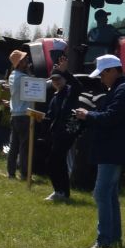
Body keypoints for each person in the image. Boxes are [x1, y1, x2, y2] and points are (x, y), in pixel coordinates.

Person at [74, 53, 125, 248]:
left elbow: (111, 117)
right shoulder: (120, 89)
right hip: (112, 149)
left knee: (101, 193)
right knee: (109, 194)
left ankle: (104, 241)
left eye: (102, 74)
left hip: (113, 150)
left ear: (112, 71)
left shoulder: (123, 90)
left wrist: (88, 115)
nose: (101, 79)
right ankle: (114, 239)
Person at [41, 68, 77, 202]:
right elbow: (51, 116)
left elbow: (78, 85)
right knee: (60, 163)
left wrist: (67, 71)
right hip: (57, 133)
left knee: (52, 163)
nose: (56, 82)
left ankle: (58, 191)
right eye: (54, 79)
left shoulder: (70, 92)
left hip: (66, 133)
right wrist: (41, 118)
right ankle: (65, 193)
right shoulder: (55, 96)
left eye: (58, 79)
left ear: (65, 79)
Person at [6, 49, 32, 180]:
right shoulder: (23, 78)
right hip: (24, 116)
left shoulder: (12, 75)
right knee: (24, 147)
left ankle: (11, 173)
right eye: (24, 60)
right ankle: (24, 174)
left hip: (15, 115)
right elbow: (40, 85)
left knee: (14, 146)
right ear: (19, 63)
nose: (27, 61)